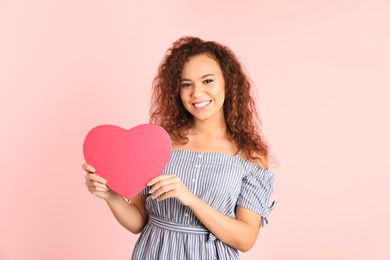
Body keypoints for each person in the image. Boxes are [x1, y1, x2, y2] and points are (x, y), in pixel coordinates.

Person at [83, 36, 276, 260]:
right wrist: (111, 195)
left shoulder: (250, 154)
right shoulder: (158, 143)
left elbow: (245, 239)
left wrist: (190, 199)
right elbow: (138, 222)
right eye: (187, 84)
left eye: (207, 81)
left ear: (228, 83)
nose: (196, 93)